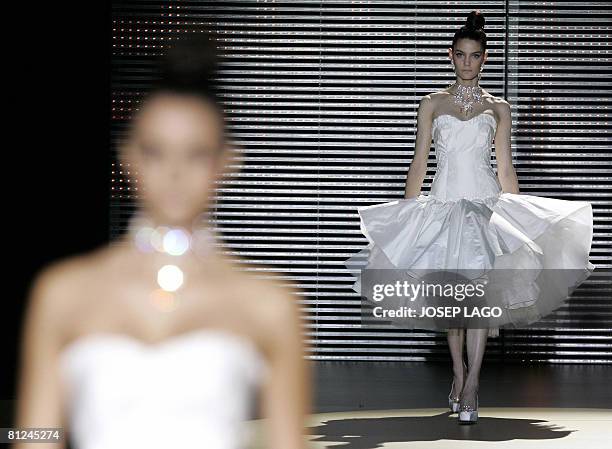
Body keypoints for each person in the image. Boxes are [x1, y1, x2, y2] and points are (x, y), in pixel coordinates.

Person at [14, 32, 311, 449]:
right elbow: (34, 434)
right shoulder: (63, 291)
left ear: (227, 162)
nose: (174, 171)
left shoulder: (268, 303)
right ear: (128, 156)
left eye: (195, 153)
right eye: (156, 151)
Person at [344, 10, 594, 424]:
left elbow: (506, 167)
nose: (466, 62)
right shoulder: (431, 103)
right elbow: (418, 162)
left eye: (474, 56)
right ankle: (458, 373)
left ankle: (473, 384)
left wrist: (517, 219)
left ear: (485, 59)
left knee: (480, 300)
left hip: (485, 206)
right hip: (442, 204)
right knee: (452, 305)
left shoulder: (499, 108)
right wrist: (407, 215)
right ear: (450, 56)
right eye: (460, 55)